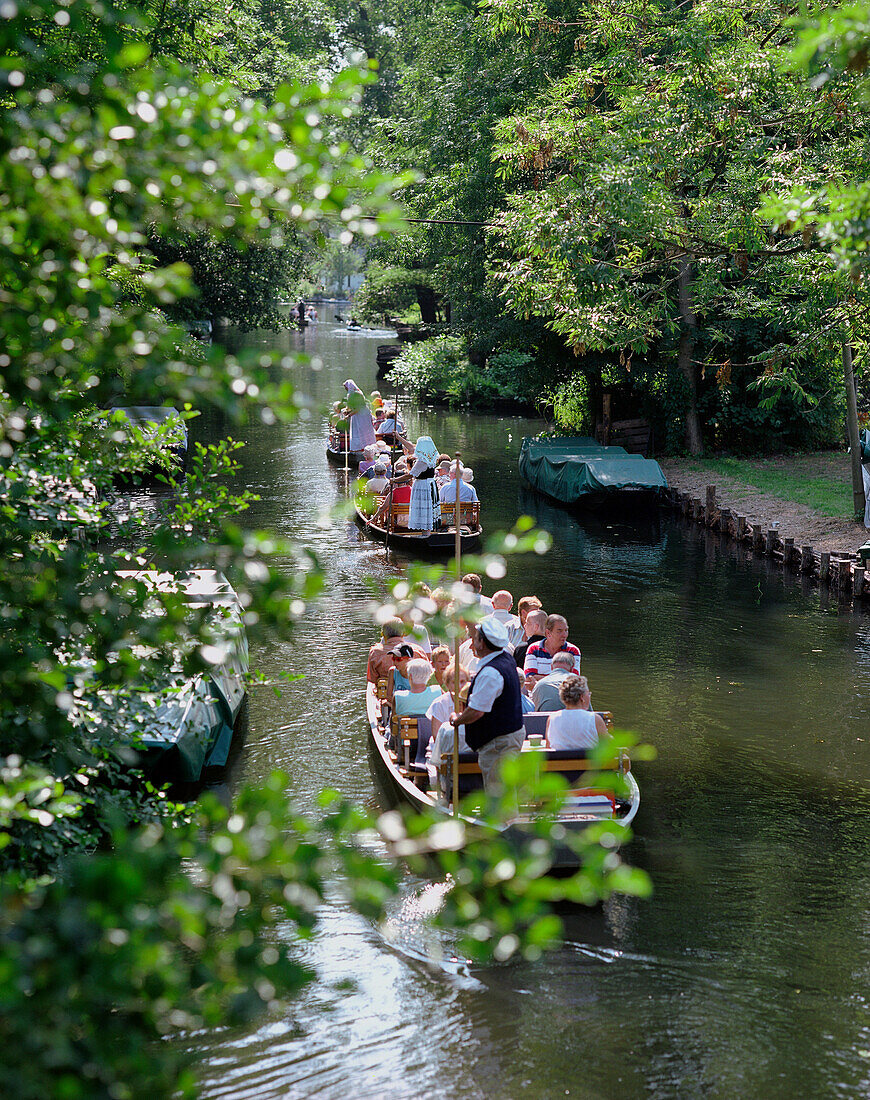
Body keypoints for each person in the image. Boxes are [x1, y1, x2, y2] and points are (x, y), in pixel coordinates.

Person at [448, 615, 525, 794]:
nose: (472, 642)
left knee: (498, 792)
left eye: (475, 639)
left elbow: (476, 712)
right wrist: (466, 619)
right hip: (508, 735)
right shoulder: (505, 658)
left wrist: (457, 720)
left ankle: (503, 822)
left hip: (499, 742)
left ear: (482, 643)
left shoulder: (490, 672)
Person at [390, 436, 441, 531]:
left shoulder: (422, 461)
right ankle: (426, 531)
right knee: (427, 507)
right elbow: (411, 447)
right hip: (430, 484)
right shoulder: (431, 457)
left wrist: (394, 480)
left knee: (423, 508)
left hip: (423, 485)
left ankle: (426, 532)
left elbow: (409, 475)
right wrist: (397, 436)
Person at [545, 676, 608, 750]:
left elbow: (548, 747)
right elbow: (608, 747)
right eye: (588, 694)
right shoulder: (595, 719)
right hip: (589, 761)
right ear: (582, 697)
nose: (589, 696)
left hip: (560, 761)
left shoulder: (552, 719)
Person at [523, 614, 581, 683]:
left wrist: (541, 678)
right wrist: (561, 679)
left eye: (566, 630)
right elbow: (529, 677)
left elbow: (574, 680)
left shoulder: (573, 651)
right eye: (559, 631)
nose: (564, 635)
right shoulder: (534, 649)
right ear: (548, 633)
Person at [367, 620, 422, 684]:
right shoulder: (418, 650)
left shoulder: (375, 652)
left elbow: (372, 680)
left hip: (384, 690)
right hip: (416, 689)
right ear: (403, 633)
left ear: (383, 634)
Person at [342, 379, 376, 452]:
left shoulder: (356, 394)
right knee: (357, 430)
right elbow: (351, 407)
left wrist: (349, 415)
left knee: (363, 430)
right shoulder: (351, 394)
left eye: (346, 387)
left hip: (362, 414)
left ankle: (366, 448)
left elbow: (358, 408)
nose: (345, 389)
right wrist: (346, 411)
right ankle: (359, 448)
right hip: (357, 414)